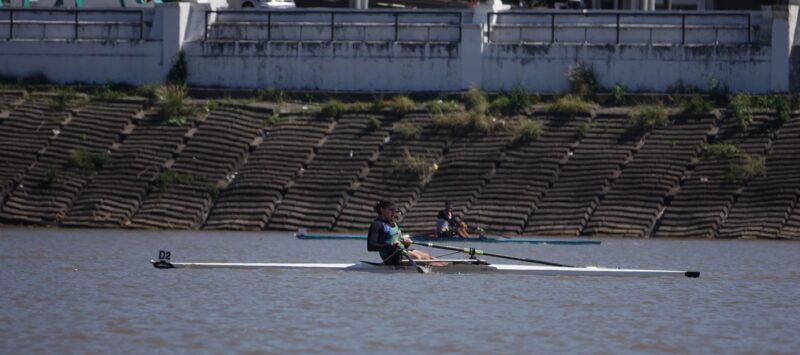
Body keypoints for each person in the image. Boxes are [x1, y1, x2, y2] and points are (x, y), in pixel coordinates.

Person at [368, 200, 445, 266]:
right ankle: (445, 270)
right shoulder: (377, 224)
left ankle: (448, 266)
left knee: (429, 257)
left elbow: (400, 243)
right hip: (390, 257)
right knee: (419, 258)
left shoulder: (393, 223)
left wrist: (406, 244)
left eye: (394, 210)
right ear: (382, 210)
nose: (393, 213)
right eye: (391, 210)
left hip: (402, 252)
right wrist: (390, 245)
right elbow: (371, 246)